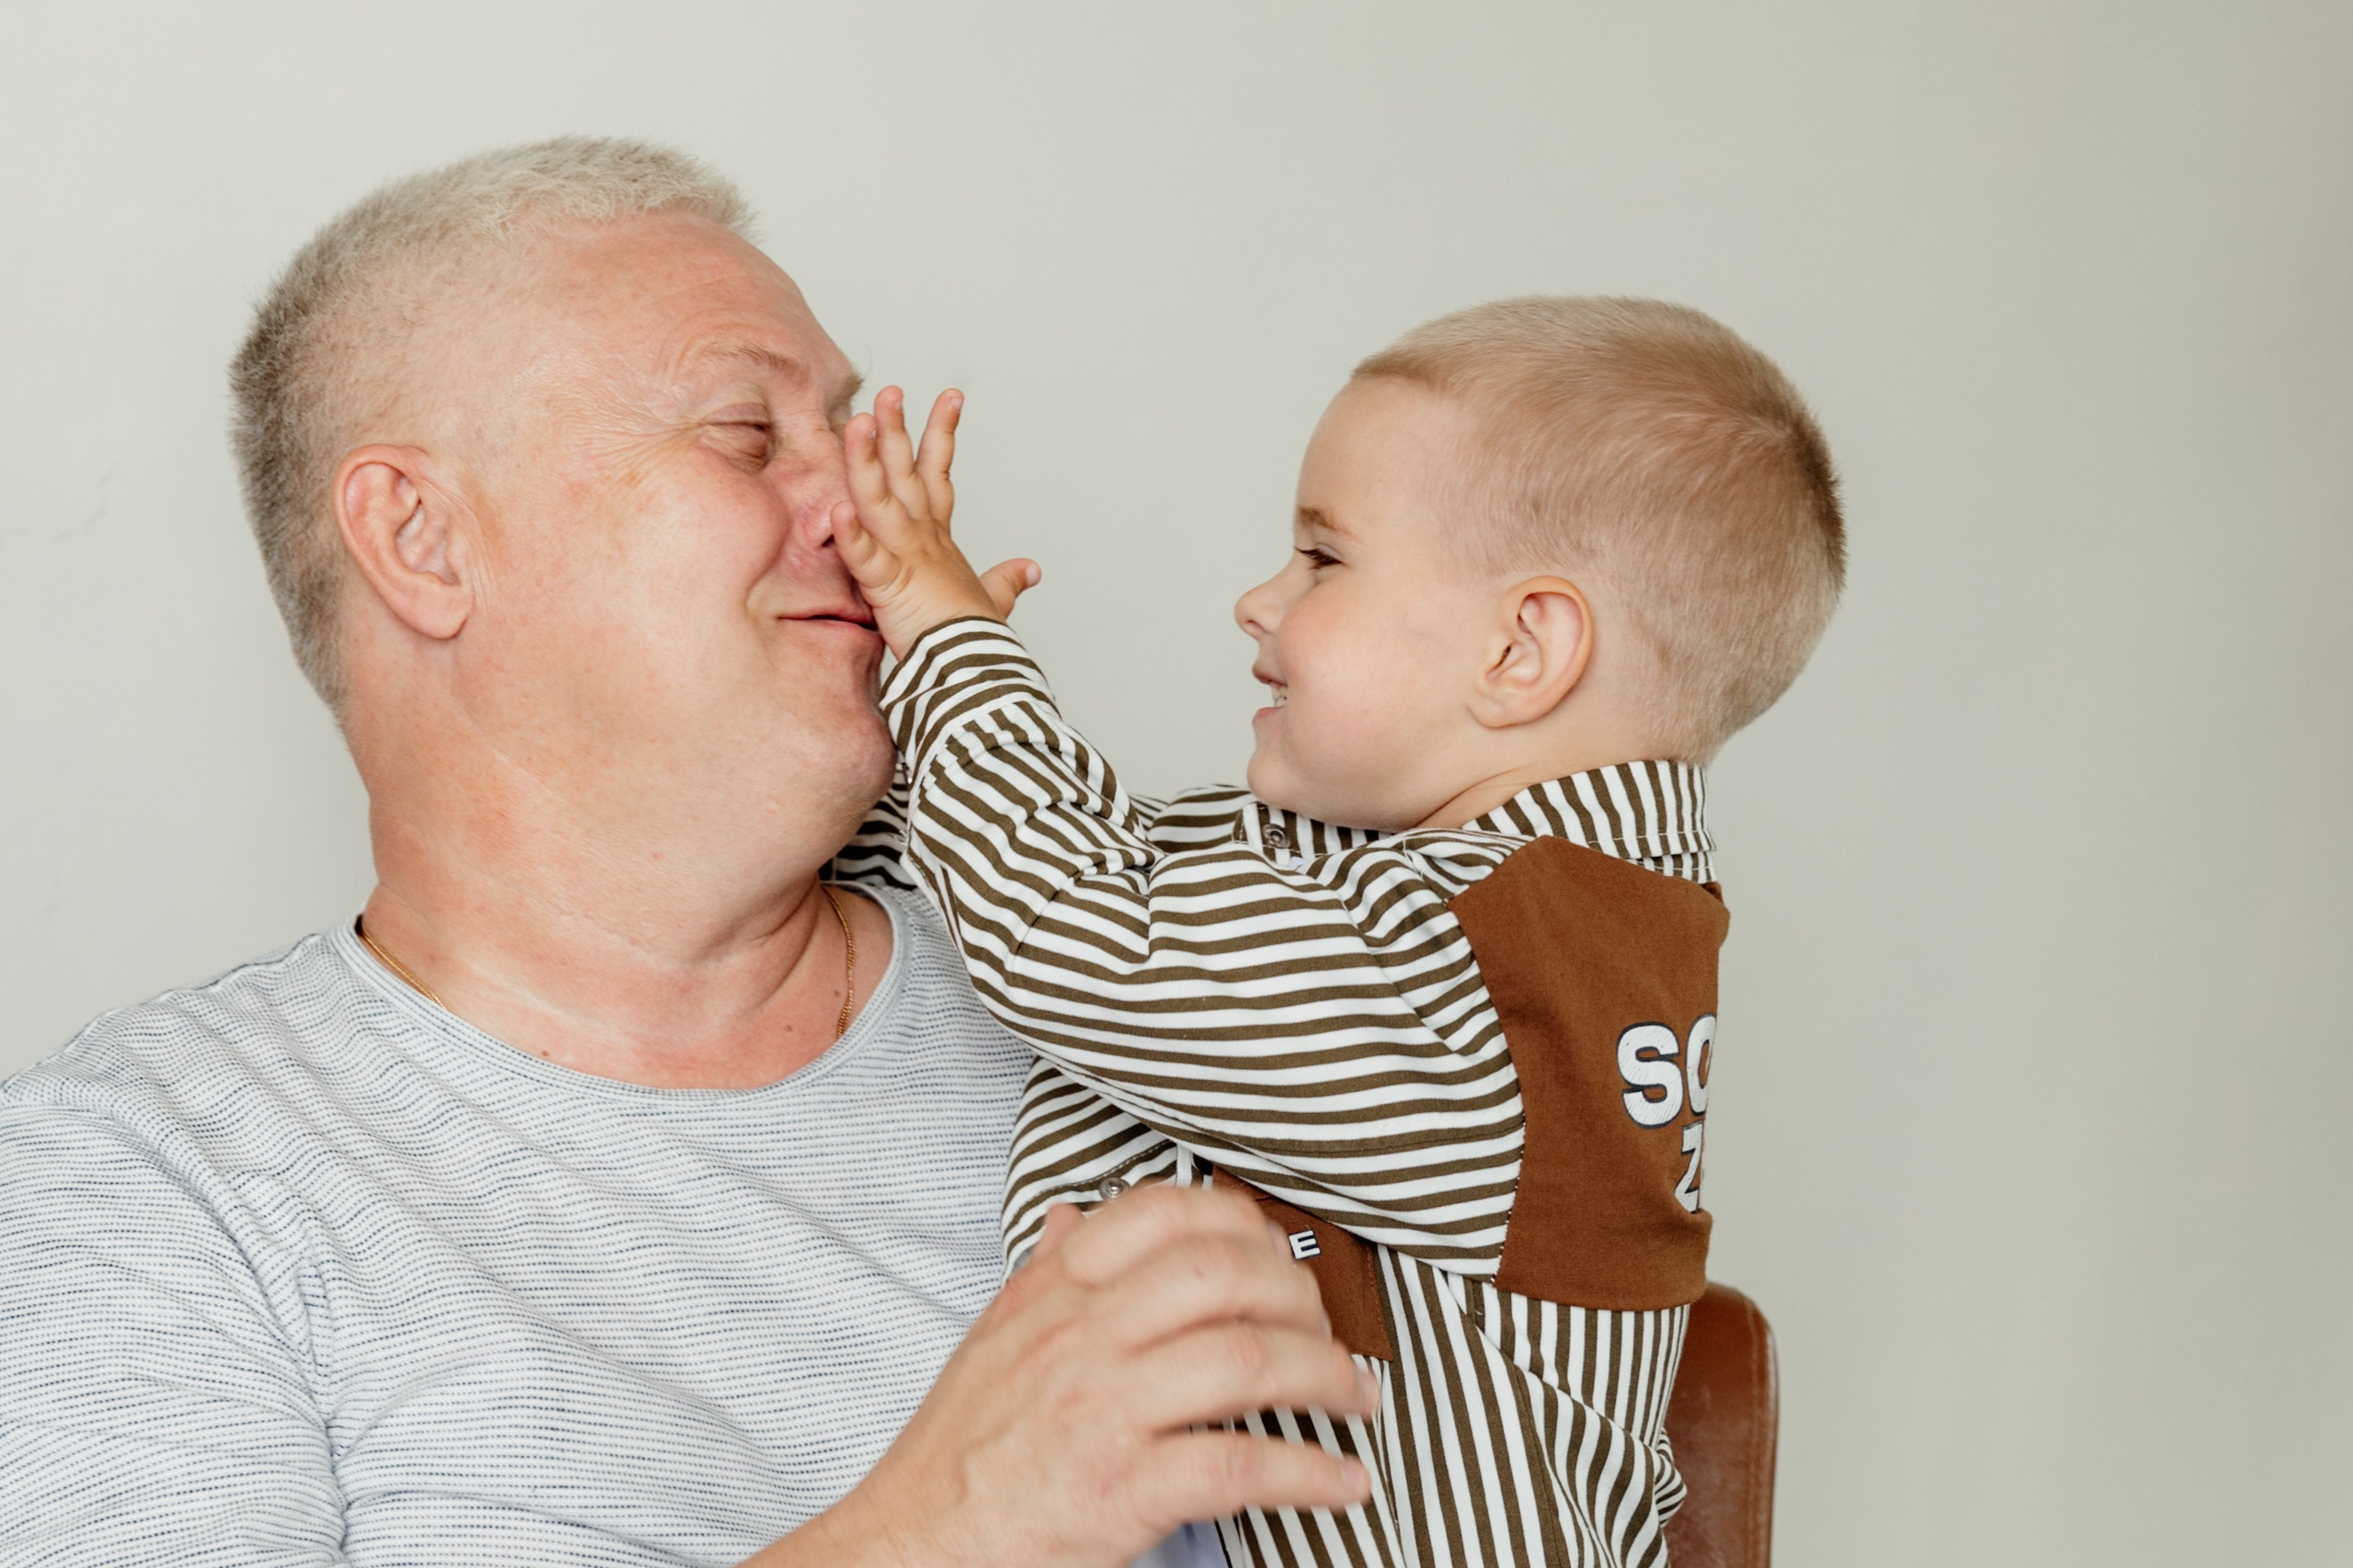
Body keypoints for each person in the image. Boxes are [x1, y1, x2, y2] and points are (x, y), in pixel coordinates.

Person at [0, 138, 1378, 1568]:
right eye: (747, 434)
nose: (872, 511)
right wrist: (944, 1528)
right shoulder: (143, 1179)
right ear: (421, 538)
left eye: (852, 437)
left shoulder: (1187, 980)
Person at [827, 296, 1843, 1565]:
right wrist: (885, 743)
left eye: (1323, 558)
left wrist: (950, 647)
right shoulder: (1454, 893)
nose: (1260, 601)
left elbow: (1076, 929)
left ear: (1524, 650)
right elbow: (1095, 871)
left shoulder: (1486, 974)